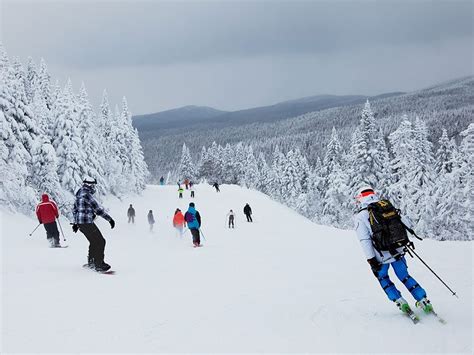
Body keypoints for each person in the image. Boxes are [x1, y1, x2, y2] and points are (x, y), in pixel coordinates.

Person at [354, 185, 434, 317]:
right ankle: (423, 300)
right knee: (405, 276)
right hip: (398, 251)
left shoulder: (361, 216)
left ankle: (400, 301)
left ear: (361, 198)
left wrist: (371, 259)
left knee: (383, 277)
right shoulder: (386, 206)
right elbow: (406, 224)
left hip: (380, 256)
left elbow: (364, 240)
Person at [72, 177, 115, 272]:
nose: (94, 187)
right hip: (87, 223)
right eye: (93, 185)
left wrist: (76, 223)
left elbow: (75, 210)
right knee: (101, 241)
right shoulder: (87, 195)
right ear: (90, 185)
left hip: (81, 224)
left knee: (94, 241)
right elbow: (98, 209)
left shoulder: (79, 194)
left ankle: (91, 262)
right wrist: (110, 219)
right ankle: (99, 264)